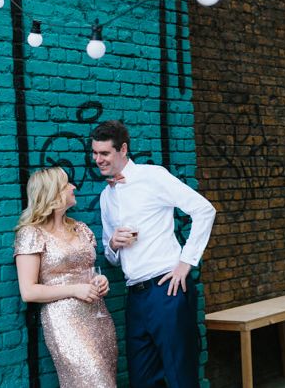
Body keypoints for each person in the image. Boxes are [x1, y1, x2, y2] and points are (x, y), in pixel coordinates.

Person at [92, 120, 216, 388]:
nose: (98, 159)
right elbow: (111, 257)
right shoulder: (106, 196)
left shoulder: (153, 176)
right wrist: (113, 244)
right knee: (143, 381)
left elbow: (204, 210)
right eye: (95, 153)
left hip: (167, 290)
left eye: (104, 153)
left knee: (181, 376)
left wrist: (186, 263)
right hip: (134, 298)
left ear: (123, 149)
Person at [13, 167, 117, 388]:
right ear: (52, 193)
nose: (74, 187)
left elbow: (88, 271)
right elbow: (28, 291)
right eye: (67, 184)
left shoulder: (81, 229)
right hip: (65, 322)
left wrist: (100, 282)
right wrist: (74, 289)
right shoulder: (32, 233)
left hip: (98, 317)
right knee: (97, 382)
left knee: (106, 379)